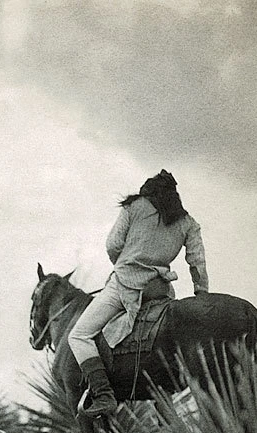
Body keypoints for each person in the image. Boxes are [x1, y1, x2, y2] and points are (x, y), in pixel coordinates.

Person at [67, 169, 209, 417]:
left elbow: (112, 245)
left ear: (149, 192)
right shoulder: (188, 223)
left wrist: (125, 263)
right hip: (160, 289)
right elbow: (197, 261)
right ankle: (165, 405)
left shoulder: (134, 207)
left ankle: (103, 394)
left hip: (125, 284)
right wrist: (201, 292)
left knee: (79, 335)